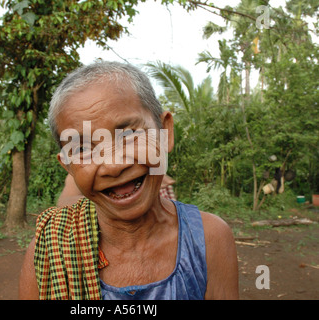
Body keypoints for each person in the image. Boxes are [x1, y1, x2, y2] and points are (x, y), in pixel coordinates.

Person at [19, 61, 238, 300]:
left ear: (165, 132)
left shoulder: (208, 239)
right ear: (68, 166)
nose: (113, 166)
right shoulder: (51, 251)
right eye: (82, 148)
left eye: (129, 134)